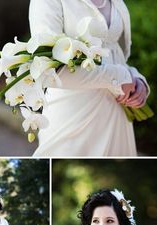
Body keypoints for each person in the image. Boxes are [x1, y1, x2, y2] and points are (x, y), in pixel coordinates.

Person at [29, 0, 150, 157]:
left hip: (116, 108)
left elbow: (113, 50)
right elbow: (50, 71)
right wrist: (119, 76)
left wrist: (135, 77)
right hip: (74, 113)